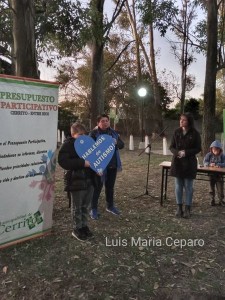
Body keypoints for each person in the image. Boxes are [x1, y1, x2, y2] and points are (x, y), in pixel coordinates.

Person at [58, 123, 95, 241]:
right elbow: (63, 162)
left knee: (86, 206)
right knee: (77, 207)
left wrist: (97, 168)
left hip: (89, 180)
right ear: (73, 134)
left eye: (85, 134)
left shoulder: (89, 144)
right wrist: (82, 163)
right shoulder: (67, 145)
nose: (83, 136)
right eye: (80, 134)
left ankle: (84, 226)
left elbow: (95, 157)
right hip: (76, 181)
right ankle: (76, 229)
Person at [89, 113, 124, 219]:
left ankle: (110, 206)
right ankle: (93, 209)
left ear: (109, 122)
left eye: (106, 121)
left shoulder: (114, 133)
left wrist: (116, 142)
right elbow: (90, 150)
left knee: (110, 187)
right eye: (102, 121)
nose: (105, 123)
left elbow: (122, 145)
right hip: (100, 166)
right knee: (97, 188)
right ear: (98, 123)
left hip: (112, 164)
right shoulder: (93, 134)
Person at [169, 112, 201, 218]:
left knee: (189, 186)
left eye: (184, 120)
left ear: (189, 122)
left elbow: (198, 148)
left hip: (189, 163)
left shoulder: (195, 133)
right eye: (180, 119)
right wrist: (177, 152)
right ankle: (179, 207)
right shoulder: (176, 132)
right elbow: (171, 147)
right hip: (177, 162)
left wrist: (186, 152)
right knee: (178, 186)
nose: (181, 121)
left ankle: (187, 208)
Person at [203, 140, 225, 206]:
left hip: (219, 175)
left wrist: (219, 165)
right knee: (211, 188)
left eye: (217, 149)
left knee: (220, 188)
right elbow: (205, 162)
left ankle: (221, 200)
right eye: (214, 149)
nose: (215, 151)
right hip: (211, 174)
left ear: (220, 150)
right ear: (211, 149)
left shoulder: (222, 155)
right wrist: (209, 164)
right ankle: (212, 199)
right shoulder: (208, 155)